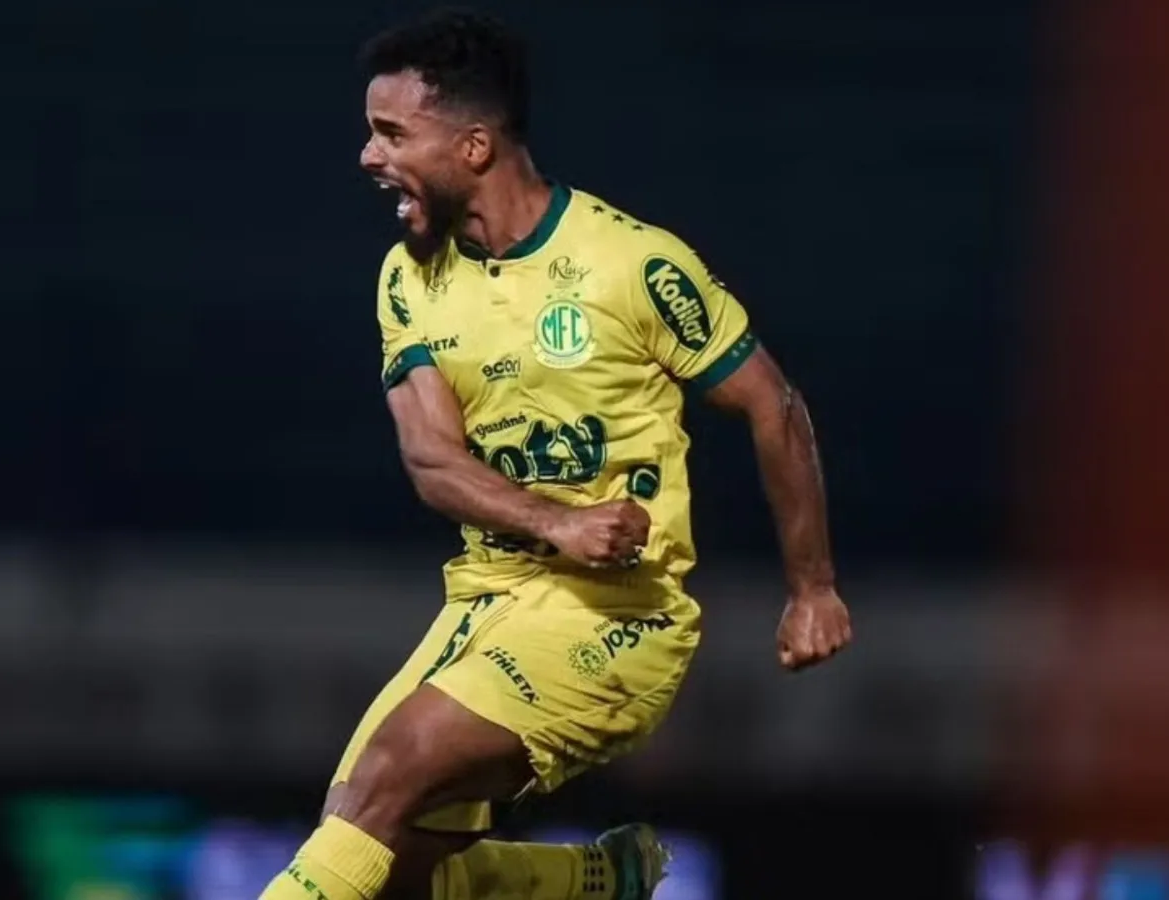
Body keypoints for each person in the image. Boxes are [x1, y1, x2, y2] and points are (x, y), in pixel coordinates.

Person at [258, 8, 851, 900]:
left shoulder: (632, 265)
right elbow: (431, 460)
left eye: (391, 134)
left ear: (474, 147)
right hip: (486, 601)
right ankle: (595, 880)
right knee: (376, 853)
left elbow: (776, 405)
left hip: (617, 617)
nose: (368, 156)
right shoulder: (408, 277)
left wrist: (812, 588)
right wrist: (556, 521)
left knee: (388, 774)